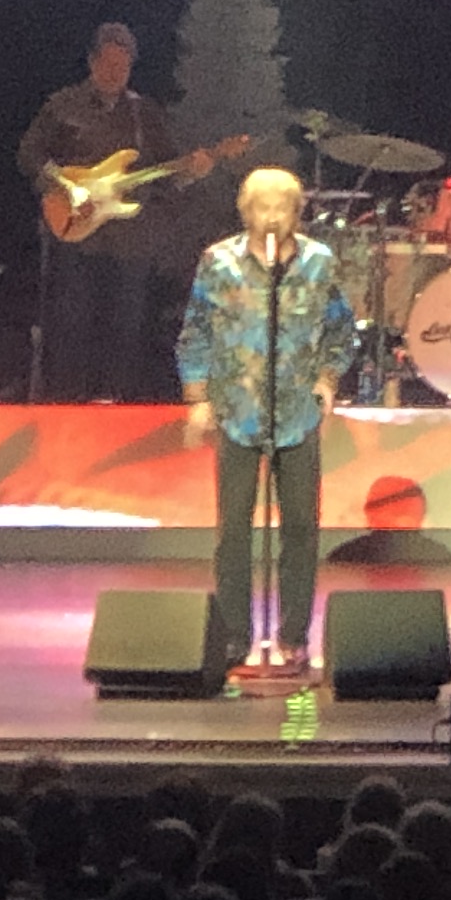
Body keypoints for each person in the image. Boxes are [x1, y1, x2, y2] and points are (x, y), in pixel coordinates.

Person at [177, 166, 354, 681]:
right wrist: (197, 398)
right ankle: (235, 636)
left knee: (300, 528)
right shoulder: (219, 262)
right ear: (245, 211)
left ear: (297, 213)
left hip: (296, 413)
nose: (272, 217)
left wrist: (327, 379)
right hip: (238, 410)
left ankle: (294, 637)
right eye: (262, 208)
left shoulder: (319, 262)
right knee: (233, 530)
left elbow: (341, 329)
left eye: (282, 208)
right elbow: (195, 332)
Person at [17, 22, 231, 399]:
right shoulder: (63, 105)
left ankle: (114, 404)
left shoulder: (143, 114)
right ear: (92, 62)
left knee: (126, 326)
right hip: (75, 234)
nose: (115, 72)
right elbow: (29, 154)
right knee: (71, 324)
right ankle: (67, 406)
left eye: (123, 65)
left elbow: (166, 172)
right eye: (109, 63)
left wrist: (193, 171)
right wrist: (68, 186)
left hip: (130, 240)